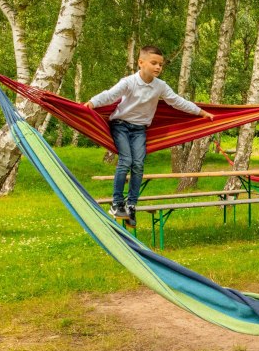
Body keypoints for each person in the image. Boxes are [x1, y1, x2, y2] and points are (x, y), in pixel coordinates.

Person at [85, 45, 214, 226]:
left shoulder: (160, 86)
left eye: (161, 65)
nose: (158, 67)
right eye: (154, 63)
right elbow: (110, 95)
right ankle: (116, 203)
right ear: (141, 62)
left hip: (139, 130)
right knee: (126, 160)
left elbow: (177, 101)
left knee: (138, 164)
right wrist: (91, 103)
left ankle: (131, 206)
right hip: (120, 125)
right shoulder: (129, 82)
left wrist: (201, 112)